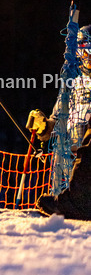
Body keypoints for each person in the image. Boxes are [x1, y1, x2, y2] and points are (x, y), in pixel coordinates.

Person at [29, 25, 91, 204]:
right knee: (62, 210)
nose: (87, 55)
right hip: (67, 159)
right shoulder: (72, 82)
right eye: (83, 49)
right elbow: (58, 119)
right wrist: (44, 127)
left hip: (87, 159)